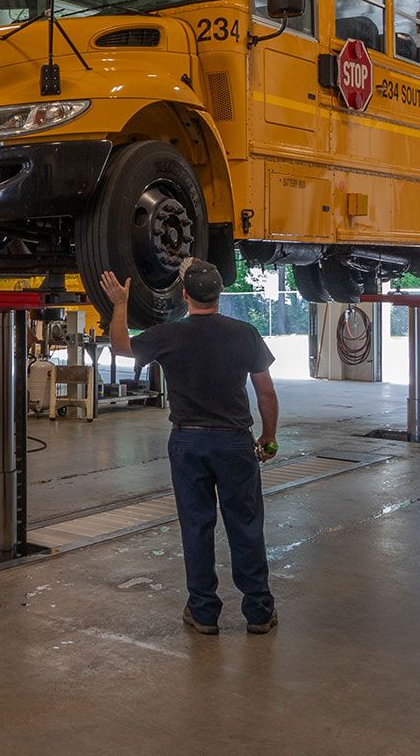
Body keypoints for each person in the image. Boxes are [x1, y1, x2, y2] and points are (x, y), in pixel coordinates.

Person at [99, 260, 279, 636]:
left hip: (188, 442)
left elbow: (120, 348)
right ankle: (259, 613)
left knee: (196, 526)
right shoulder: (245, 333)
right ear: (219, 293)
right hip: (234, 443)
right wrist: (268, 436)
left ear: (185, 295)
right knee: (245, 526)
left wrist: (120, 303)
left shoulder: (169, 335)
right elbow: (265, 392)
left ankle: (204, 613)